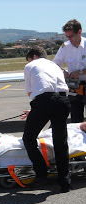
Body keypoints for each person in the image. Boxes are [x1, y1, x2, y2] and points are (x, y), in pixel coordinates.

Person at [22, 46, 71, 193]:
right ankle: (65, 182)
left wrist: (36, 110)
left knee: (29, 139)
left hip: (44, 102)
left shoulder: (30, 65)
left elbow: (32, 92)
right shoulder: (55, 65)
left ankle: (42, 174)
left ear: (34, 56)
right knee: (60, 142)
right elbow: (54, 92)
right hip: (63, 101)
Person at [54, 19, 86, 123]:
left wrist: (81, 72)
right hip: (74, 85)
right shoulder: (65, 47)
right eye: (67, 36)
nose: (69, 39)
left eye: (71, 36)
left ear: (80, 32)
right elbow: (54, 64)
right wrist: (62, 71)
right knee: (76, 117)